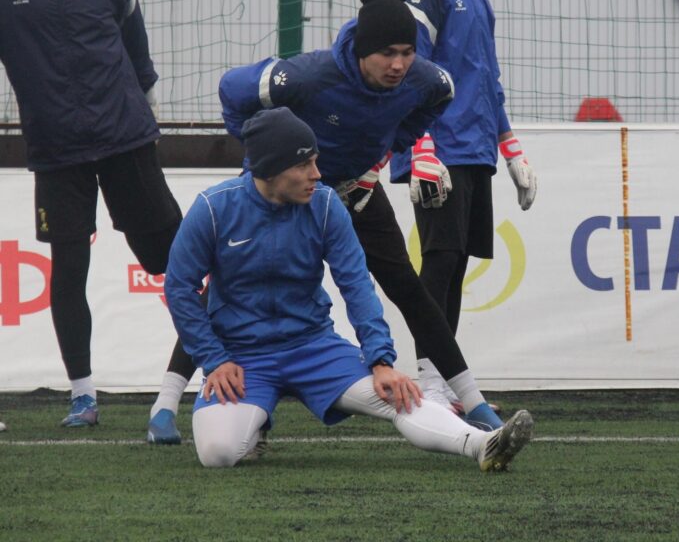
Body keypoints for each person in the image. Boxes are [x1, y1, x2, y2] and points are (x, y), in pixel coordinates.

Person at [147, 0, 508, 443]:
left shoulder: (425, 79)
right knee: (225, 287)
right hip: (284, 188)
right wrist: (262, 150)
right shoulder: (308, 77)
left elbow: (440, 97)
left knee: (408, 288)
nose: (399, 64)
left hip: (355, 190)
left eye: (407, 52)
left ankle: (474, 403)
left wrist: (383, 154)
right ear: (361, 51)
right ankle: (165, 405)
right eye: (387, 54)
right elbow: (231, 89)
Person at [162, 107, 533, 469]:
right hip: (242, 356)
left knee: (398, 394)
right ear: (271, 169)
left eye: (316, 161)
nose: (317, 174)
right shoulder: (213, 208)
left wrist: (380, 360)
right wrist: (215, 359)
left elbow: (356, 285)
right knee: (217, 454)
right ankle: (255, 422)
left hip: (313, 347)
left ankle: (481, 444)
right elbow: (179, 288)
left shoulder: (325, 205)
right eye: (304, 165)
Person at [0, 0, 182, 428]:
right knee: (69, 269)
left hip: (126, 138)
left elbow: (135, 41)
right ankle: (83, 395)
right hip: (57, 151)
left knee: (172, 261)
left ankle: (205, 371)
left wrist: (146, 100)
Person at [389, 0, 538, 405]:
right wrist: (422, 148)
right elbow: (409, 68)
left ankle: (443, 382)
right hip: (441, 148)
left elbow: (486, 79)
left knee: (454, 263)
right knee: (440, 260)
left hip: (473, 148)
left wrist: (509, 146)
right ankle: (430, 383)